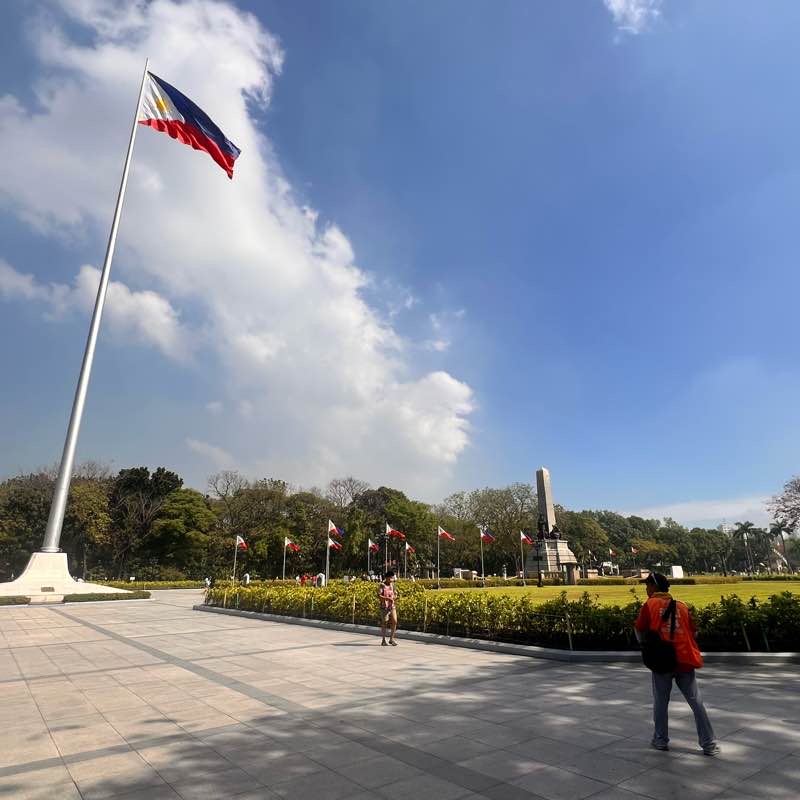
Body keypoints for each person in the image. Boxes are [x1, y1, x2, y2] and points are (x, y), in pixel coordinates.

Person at [635, 572, 720, 756]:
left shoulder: (650, 604)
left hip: (662, 660)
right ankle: (709, 744)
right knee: (696, 702)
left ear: (655, 587)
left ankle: (660, 740)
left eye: (648, 585)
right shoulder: (681, 606)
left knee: (660, 702)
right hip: (684, 659)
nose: (646, 589)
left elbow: (639, 629)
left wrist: (645, 648)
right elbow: (693, 631)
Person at [378, 571, 399, 646]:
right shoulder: (382, 585)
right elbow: (379, 595)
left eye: (393, 578)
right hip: (384, 607)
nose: (392, 579)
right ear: (386, 578)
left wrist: (395, 597)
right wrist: (387, 598)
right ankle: (383, 640)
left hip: (392, 606)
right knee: (385, 622)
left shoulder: (393, 585)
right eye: (391, 578)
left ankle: (391, 639)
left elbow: (395, 593)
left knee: (395, 621)